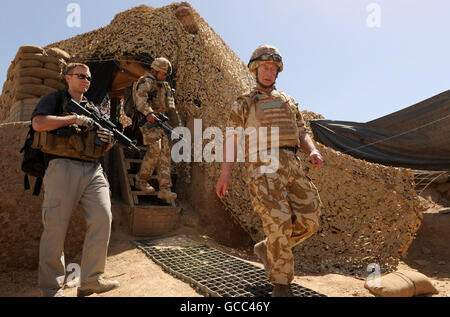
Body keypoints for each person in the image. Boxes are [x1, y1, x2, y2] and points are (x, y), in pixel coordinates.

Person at [215, 45, 324, 297]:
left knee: (310, 220)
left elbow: (301, 132)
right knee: (279, 221)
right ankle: (281, 284)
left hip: (291, 163)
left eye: (273, 68)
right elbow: (232, 138)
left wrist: (312, 151)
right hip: (262, 166)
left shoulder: (288, 101)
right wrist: (225, 173)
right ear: (255, 69)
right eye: (264, 67)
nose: (269, 71)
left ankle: (268, 248)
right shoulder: (243, 102)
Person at [32, 63, 119, 297]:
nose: (87, 81)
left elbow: (101, 143)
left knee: (103, 217)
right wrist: (73, 119)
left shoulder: (93, 108)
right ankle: (51, 287)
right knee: (56, 227)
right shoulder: (55, 99)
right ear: (68, 78)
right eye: (81, 76)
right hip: (62, 166)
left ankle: (91, 280)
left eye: (89, 78)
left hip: (93, 169)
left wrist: (106, 138)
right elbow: (38, 124)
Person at [133, 57, 180, 201]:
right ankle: (141, 180)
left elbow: (171, 108)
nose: (165, 77)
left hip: (161, 123)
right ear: (156, 70)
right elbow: (140, 99)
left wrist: (177, 125)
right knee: (156, 149)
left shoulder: (164, 85)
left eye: (166, 75)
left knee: (165, 153)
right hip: (147, 121)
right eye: (163, 74)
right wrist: (149, 113)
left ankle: (165, 189)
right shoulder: (146, 81)